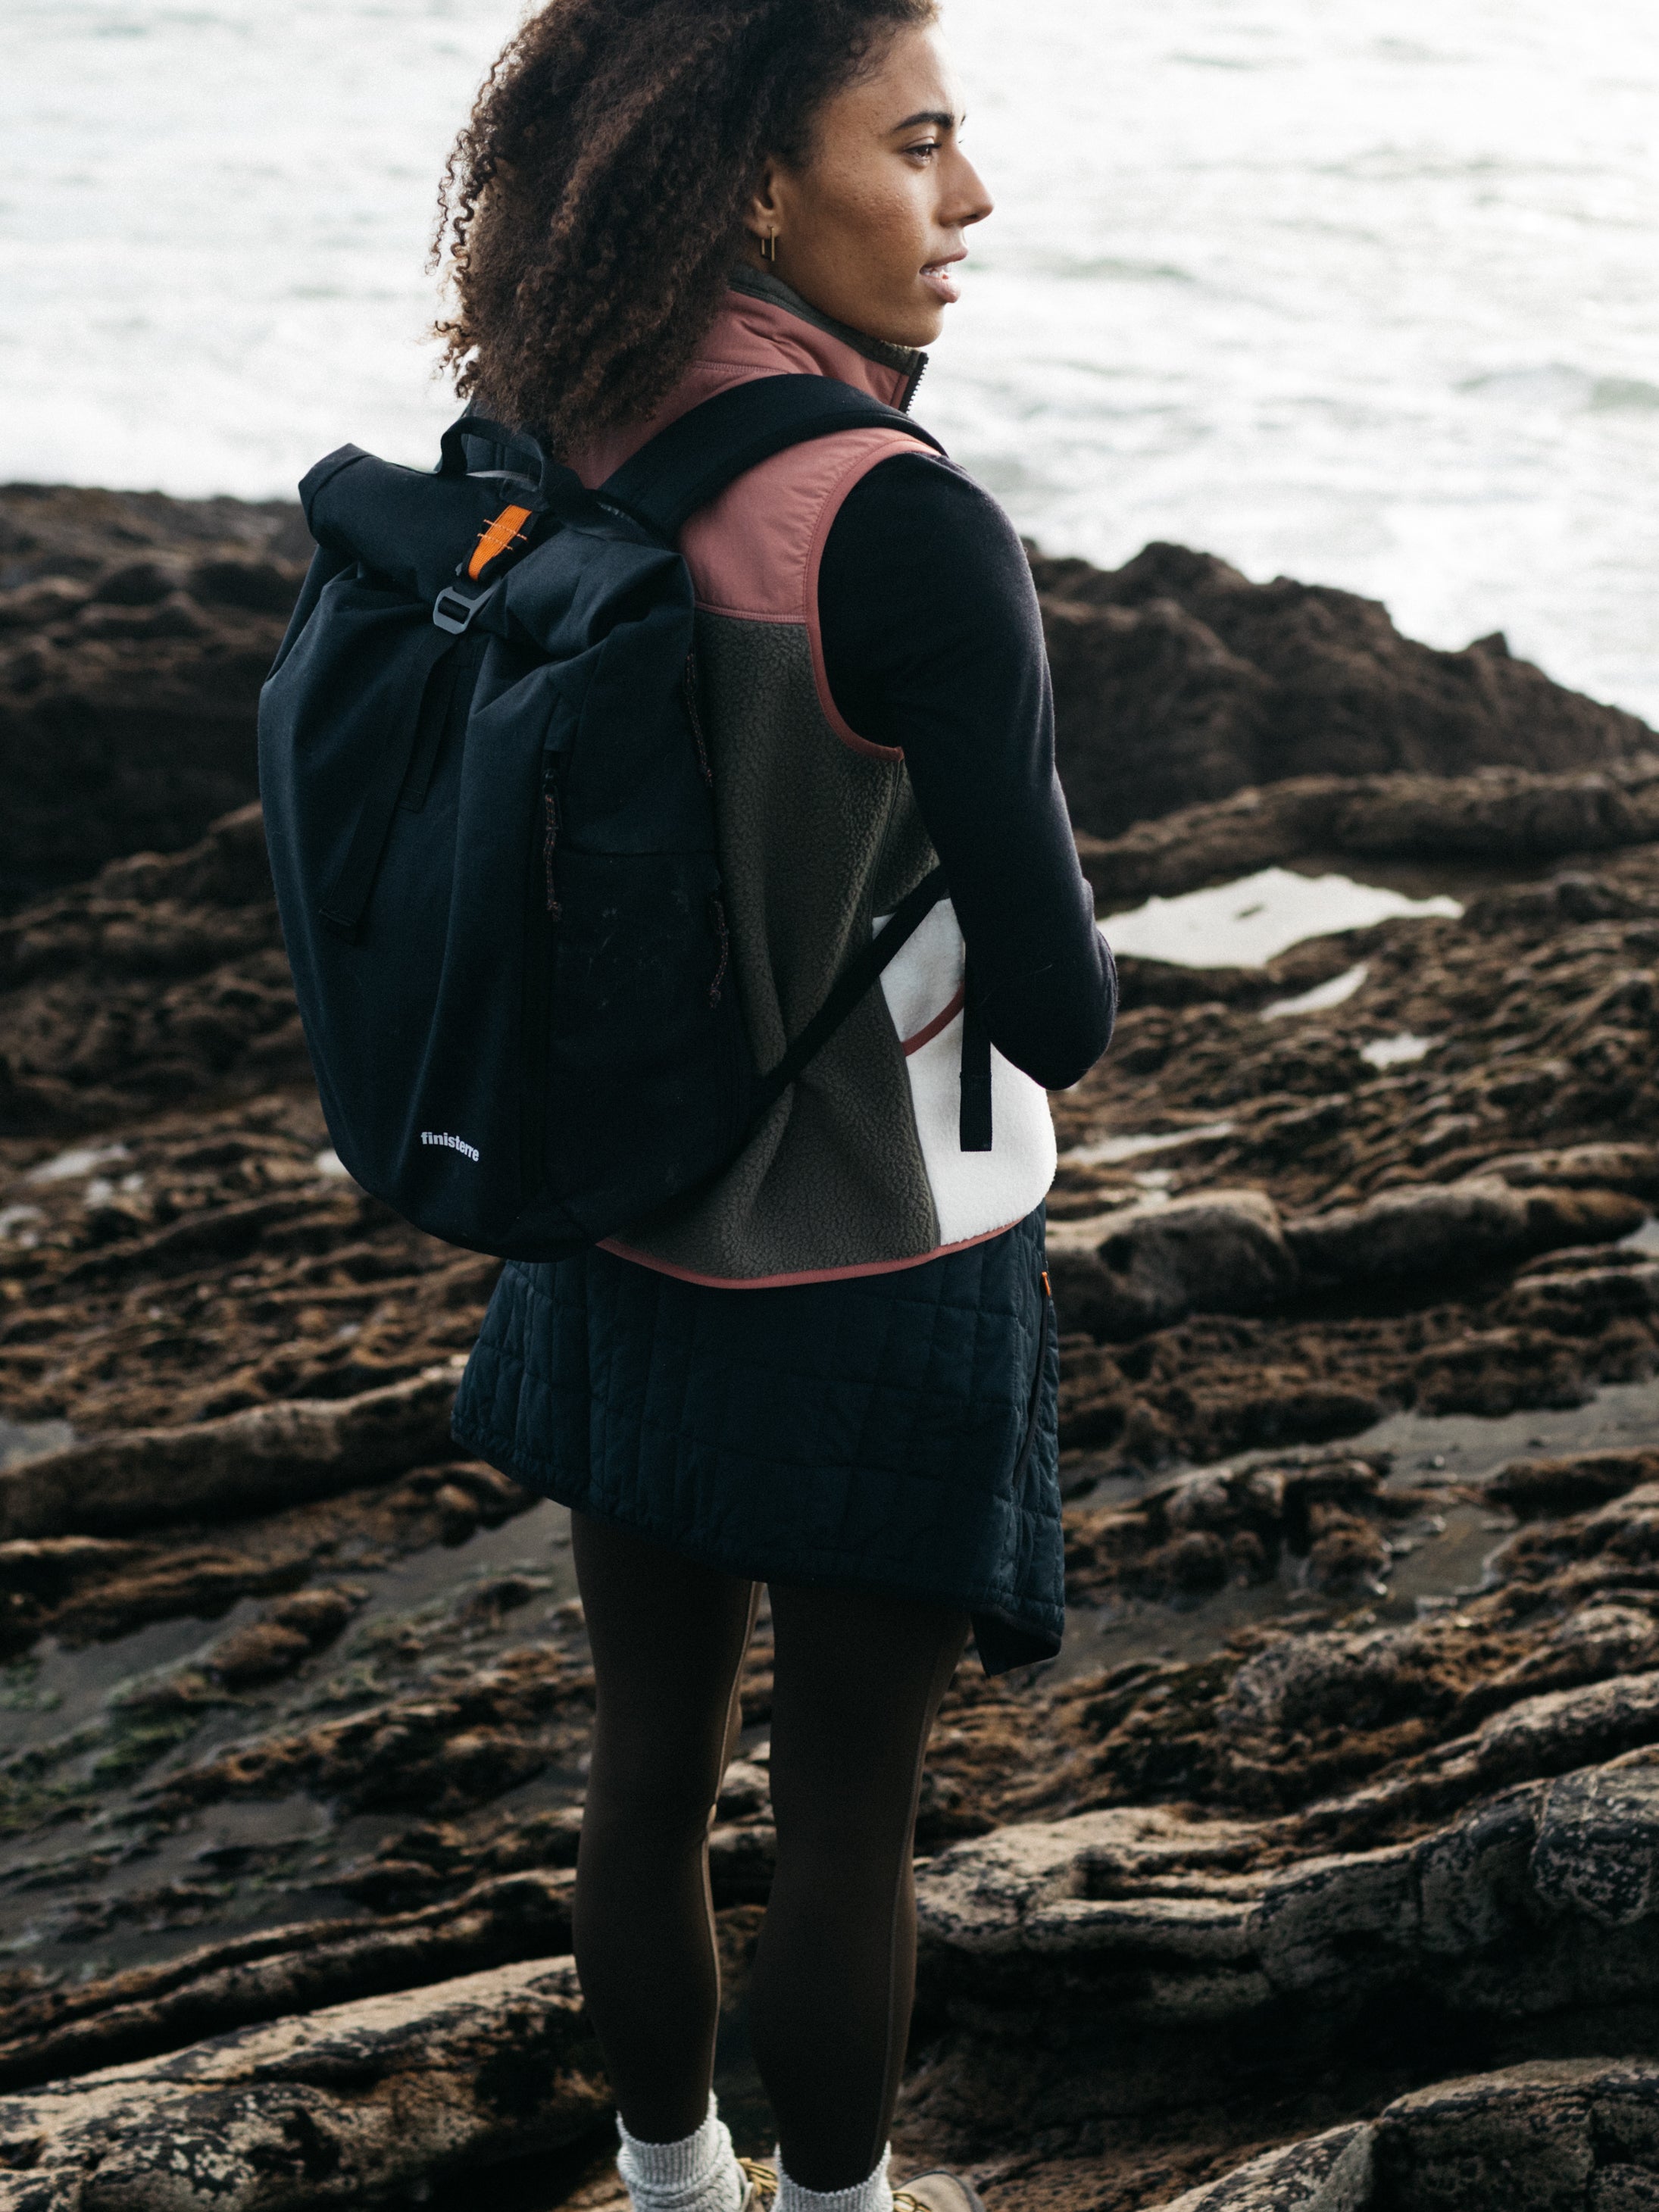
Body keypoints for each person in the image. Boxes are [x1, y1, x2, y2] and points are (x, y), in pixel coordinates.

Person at [441, 6, 1117, 2212]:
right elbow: (1059, 1005)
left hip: (607, 1216)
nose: (972, 200)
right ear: (752, 183)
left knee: (641, 1778)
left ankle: (672, 2192)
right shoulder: (902, 523)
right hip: (878, 1264)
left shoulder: (554, 423)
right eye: (919, 145)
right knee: (846, 1821)